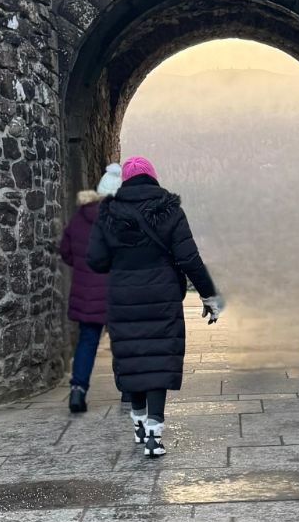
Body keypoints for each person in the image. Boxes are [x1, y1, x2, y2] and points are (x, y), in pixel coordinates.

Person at [86, 154, 223, 458]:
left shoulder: (108, 212)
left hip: (122, 297)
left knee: (133, 357)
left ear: (125, 181)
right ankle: (154, 435)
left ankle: (138, 423)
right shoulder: (169, 210)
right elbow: (189, 258)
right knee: (158, 359)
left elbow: (95, 260)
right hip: (162, 295)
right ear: (153, 177)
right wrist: (209, 295)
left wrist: (120, 257)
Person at [57, 164, 121, 413]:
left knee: (87, 340)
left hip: (86, 292)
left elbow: (66, 251)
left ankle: (78, 390)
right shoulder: (120, 219)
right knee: (122, 340)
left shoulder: (79, 218)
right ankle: (128, 390)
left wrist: (83, 268)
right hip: (116, 291)